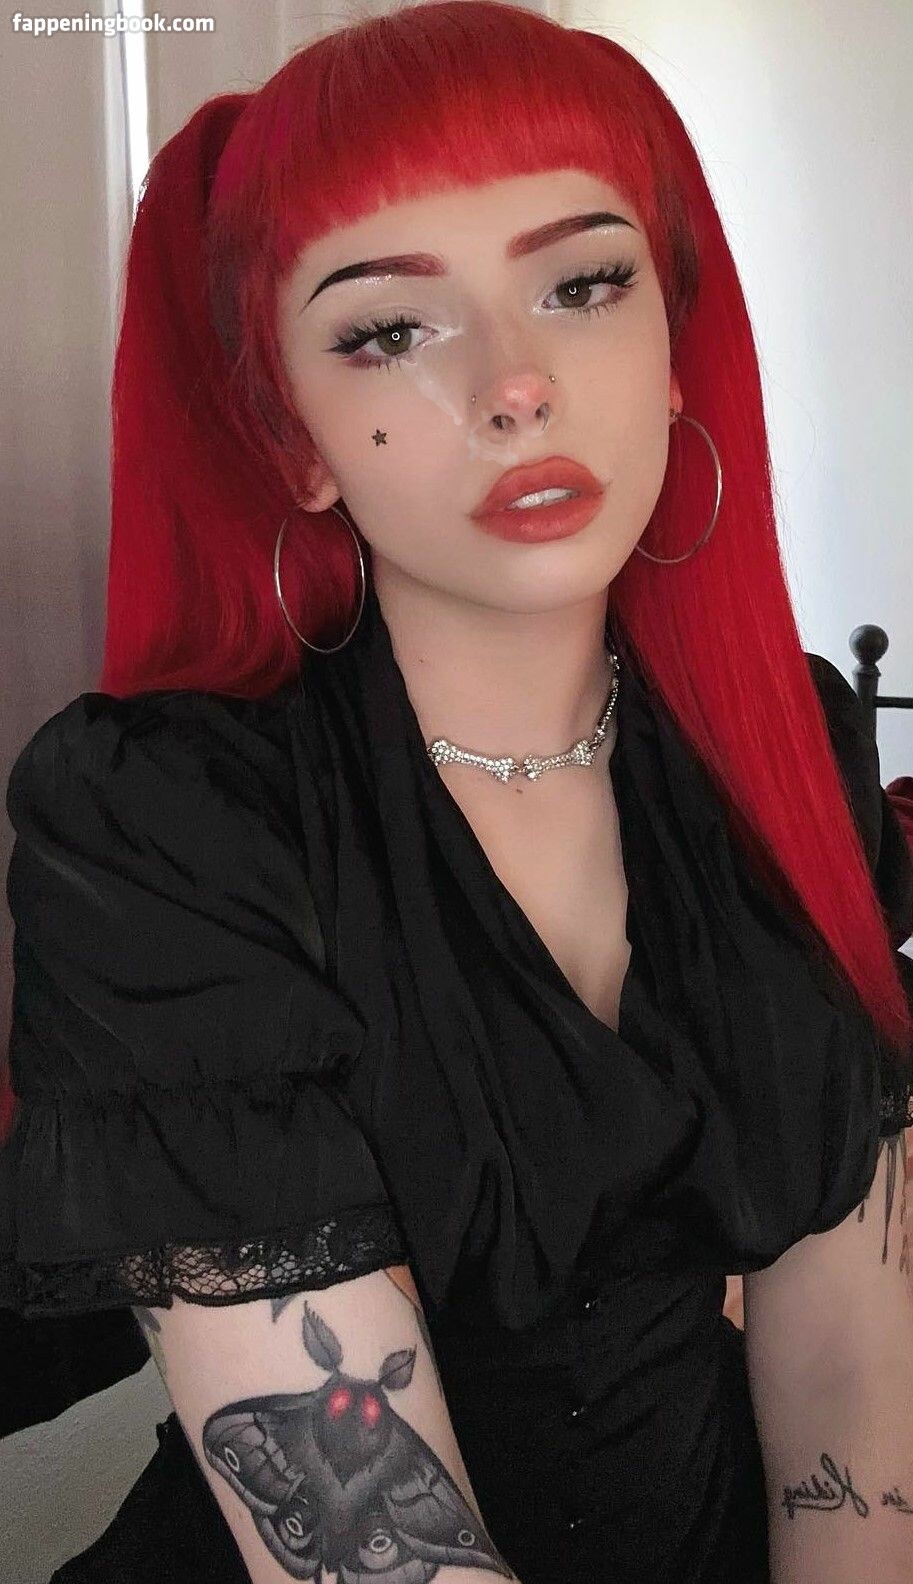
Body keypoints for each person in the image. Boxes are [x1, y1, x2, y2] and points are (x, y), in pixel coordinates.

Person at [2, 4, 912, 1581]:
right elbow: (365, 1538)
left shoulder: (790, 742)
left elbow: (847, 1358)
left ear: (674, 349)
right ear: (293, 438)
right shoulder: (164, 818)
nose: (515, 387)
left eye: (582, 285)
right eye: (386, 331)